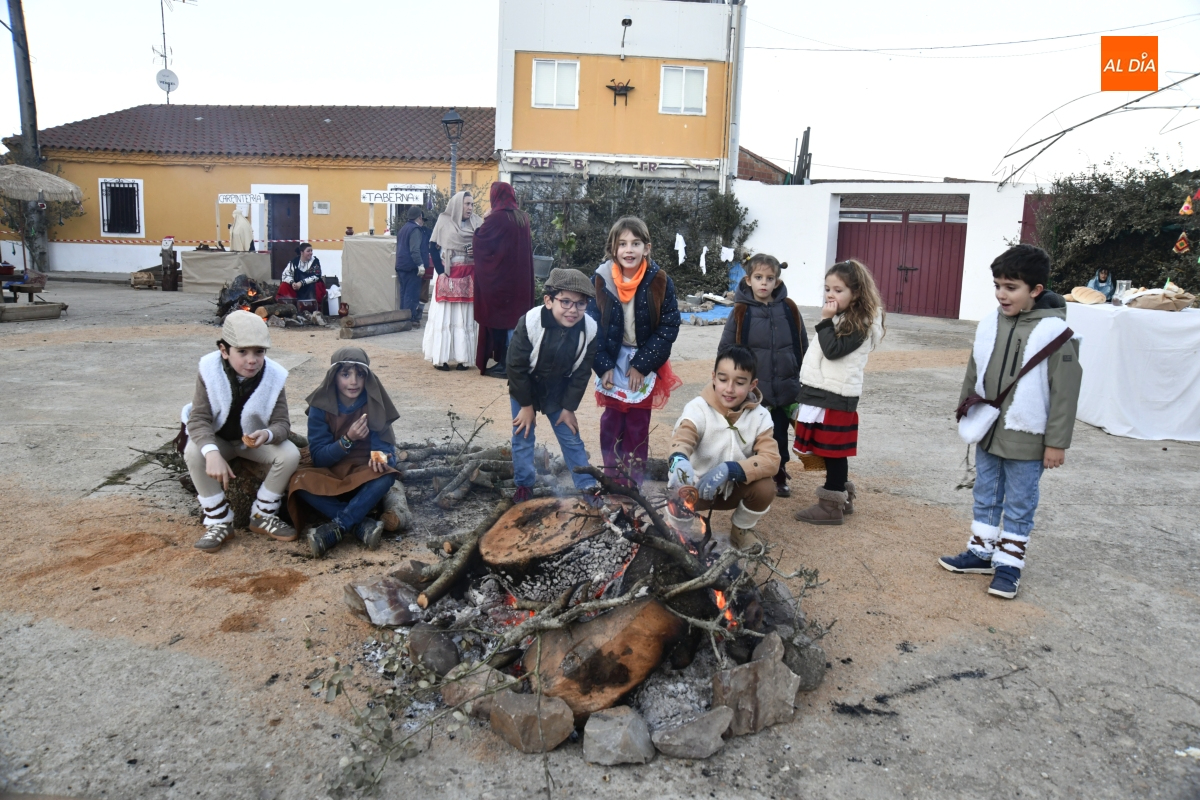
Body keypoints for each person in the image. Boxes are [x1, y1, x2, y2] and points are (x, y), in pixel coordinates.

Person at [941, 244, 1082, 599]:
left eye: (1011, 287)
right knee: (985, 492)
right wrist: (966, 411)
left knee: (1020, 500)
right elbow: (974, 372)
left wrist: (1056, 442)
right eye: (998, 285)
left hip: (1028, 435)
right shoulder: (990, 323)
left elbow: (1066, 391)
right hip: (989, 428)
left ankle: (1009, 564)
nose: (1002, 294)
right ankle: (981, 552)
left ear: (1035, 290)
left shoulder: (1055, 332)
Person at [181, 310, 301, 552]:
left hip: (251, 443)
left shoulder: (274, 376)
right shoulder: (209, 371)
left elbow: (282, 423)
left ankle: (263, 513)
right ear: (224, 351)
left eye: (259, 352)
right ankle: (219, 520)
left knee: (290, 454)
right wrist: (212, 452)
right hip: (221, 440)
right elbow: (199, 419)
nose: (252, 360)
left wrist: (266, 435)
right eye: (242, 352)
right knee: (194, 452)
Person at [587, 216, 682, 486]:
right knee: (612, 421)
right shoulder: (601, 279)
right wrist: (603, 364)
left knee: (638, 424)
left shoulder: (660, 281)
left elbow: (668, 326)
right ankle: (611, 476)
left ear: (647, 248)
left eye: (636, 243)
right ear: (613, 249)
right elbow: (592, 326)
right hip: (611, 357)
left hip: (645, 359)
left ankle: (633, 482)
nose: (629, 250)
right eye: (623, 244)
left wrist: (642, 364)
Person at [792, 259, 885, 526]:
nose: (831, 295)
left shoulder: (860, 322)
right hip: (824, 391)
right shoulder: (845, 317)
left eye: (838, 290)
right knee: (829, 449)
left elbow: (833, 351)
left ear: (856, 293)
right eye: (827, 289)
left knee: (833, 451)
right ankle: (841, 498)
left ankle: (831, 506)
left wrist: (824, 321)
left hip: (836, 394)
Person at [287, 348, 403, 558]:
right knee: (298, 481)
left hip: (362, 470)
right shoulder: (319, 406)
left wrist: (380, 457)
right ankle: (360, 524)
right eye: (346, 374)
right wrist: (347, 440)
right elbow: (319, 456)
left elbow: (383, 444)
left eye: (360, 374)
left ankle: (339, 526)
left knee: (386, 477)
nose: (353, 382)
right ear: (334, 376)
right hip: (331, 470)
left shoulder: (372, 401)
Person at [667, 345, 780, 550]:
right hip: (697, 489)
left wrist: (731, 470)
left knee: (765, 487)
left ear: (752, 385)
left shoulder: (761, 416)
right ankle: (678, 532)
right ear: (713, 377)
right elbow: (683, 438)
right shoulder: (698, 408)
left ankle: (741, 530)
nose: (729, 389)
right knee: (678, 485)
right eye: (723, 379)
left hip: (732, 490)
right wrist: (678, 459)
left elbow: (771, 460)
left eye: (739, 383)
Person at [507, 268, 601, 503]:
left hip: (559, 389)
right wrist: (526, 406)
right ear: (549, 301)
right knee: (523, 435)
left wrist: (569, 408)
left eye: (581, 304)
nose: (573, 310)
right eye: (566, 301)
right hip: (525, 385)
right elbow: (515, 367)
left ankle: (588, 487)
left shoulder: (589, 330)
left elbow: (581, 373)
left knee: (570, 436)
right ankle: (524, 486)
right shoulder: (530, 322)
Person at [720, 254, 808, 497]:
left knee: (779, 435)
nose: (764, 283)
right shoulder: (740, 311)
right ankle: (749, 473)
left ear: (777, 282)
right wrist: (728, 381)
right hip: (756, 390)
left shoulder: (788, 309)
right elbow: (727, 349)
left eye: (770, 279)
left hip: (786, 388)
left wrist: (805, 376)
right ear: (748, 280)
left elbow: (802, 344)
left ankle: (778, 473)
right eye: (758, 278)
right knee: (752, 435)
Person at [473, 182, 536, 378]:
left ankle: (508, 364)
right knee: (515, 321)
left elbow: (481, 242)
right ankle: (513, 361)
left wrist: (484, 221)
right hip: (521, 280)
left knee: (505, 321)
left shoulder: (496, 219)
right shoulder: (522, 217)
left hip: (502, 281)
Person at [423, 191, 483, 371]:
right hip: (448, 275)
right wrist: (441, 272)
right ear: (458, 204)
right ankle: (440, 358)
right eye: (467, 204)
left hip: (469, 276)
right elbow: (433, 247)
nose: (470, 208)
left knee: (465, 318)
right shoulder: (444, 221)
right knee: (445, 316)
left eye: (472, 204)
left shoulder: (478, 223)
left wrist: (477, 250)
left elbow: (486, 246)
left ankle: (464, 359)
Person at [395, 206, 428, 324]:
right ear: (419, 217)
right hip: (411, 267)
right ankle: (409, 320)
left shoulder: (403, 229)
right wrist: (420, 264)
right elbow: (415, 250)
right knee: (412, 294)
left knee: (404, 294)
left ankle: (402, 318)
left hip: (401, 265)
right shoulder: (415, 230)